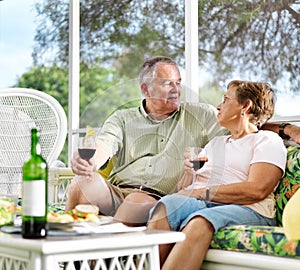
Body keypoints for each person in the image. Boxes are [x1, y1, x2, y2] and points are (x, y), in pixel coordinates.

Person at [67, 56, 300, 225]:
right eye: (168, 83)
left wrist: (287, 128)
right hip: (114, 191)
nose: (176, 89)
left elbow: (245, 123)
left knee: (136, 201)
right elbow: (104, 145)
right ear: (146, 89)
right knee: (81, 182)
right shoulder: (123, 118)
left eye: (178, 82)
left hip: (153, 197)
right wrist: (89, 162)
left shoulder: (201, 115)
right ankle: (67, 264)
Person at [147, 80, 287, 270]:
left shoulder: (267, 140)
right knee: (167, 205)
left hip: (249, 208)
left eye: (225, 99)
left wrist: (203, 192)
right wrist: (189, 174)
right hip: (207, 202)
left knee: (200, 221)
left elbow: (257, 189)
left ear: (245, 106)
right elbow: (186, 191)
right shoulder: (216, 143)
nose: (219, 106)